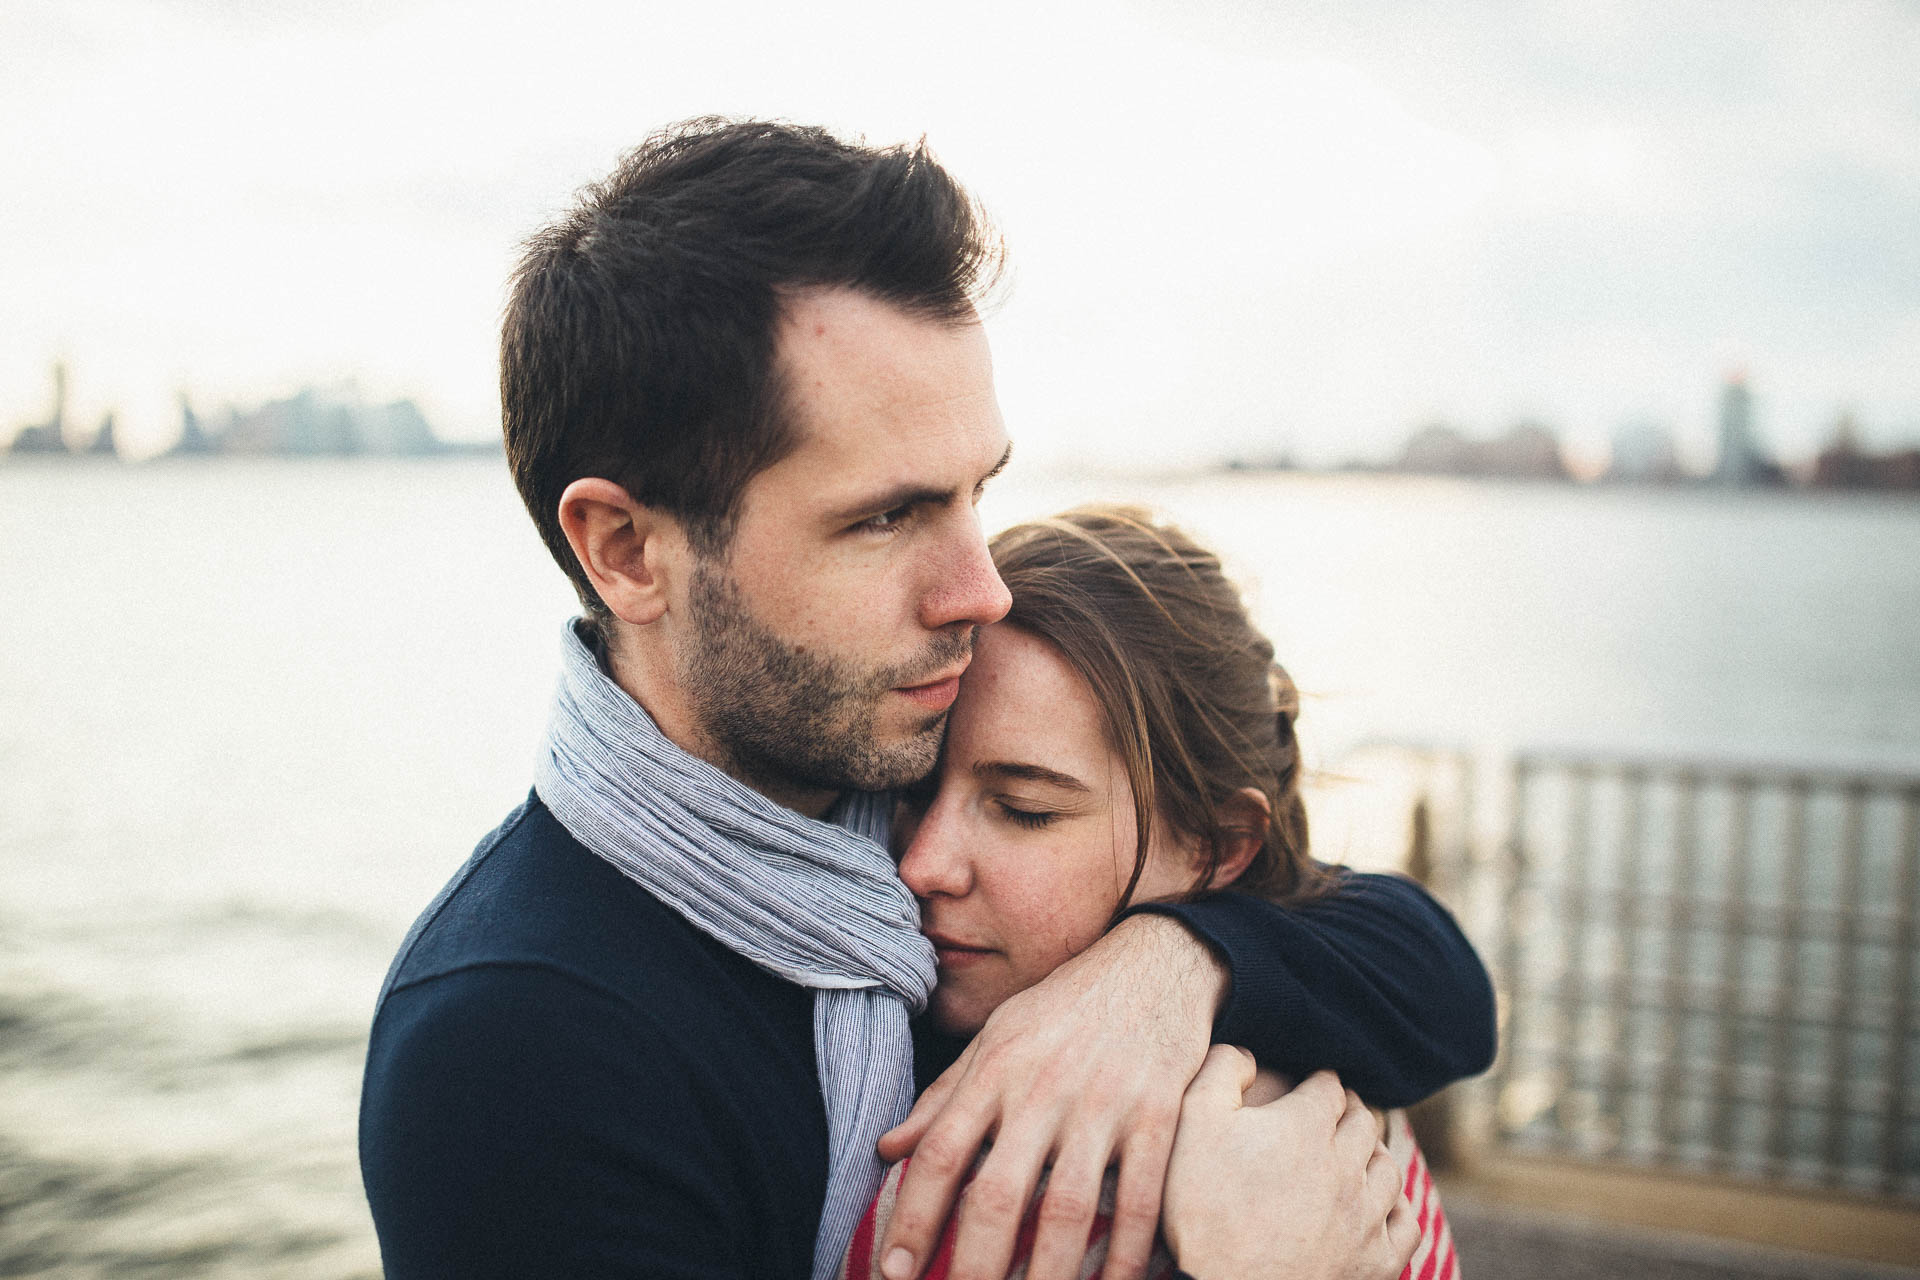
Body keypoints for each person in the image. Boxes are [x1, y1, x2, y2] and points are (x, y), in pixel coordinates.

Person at [358, 118, 1495, 1280]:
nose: (980, 589)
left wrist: (1164, 970)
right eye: (887, 516)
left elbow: (1428, 969)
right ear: (626, 549)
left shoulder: (889, 777)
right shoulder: (515, 1043)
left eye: (974, 494)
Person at [841, 508, 1457, 1280]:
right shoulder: (1343, 1066)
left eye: (1024, 810)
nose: (922, 865)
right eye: (910, 791)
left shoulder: (1287, 1163)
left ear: (1218, 845)